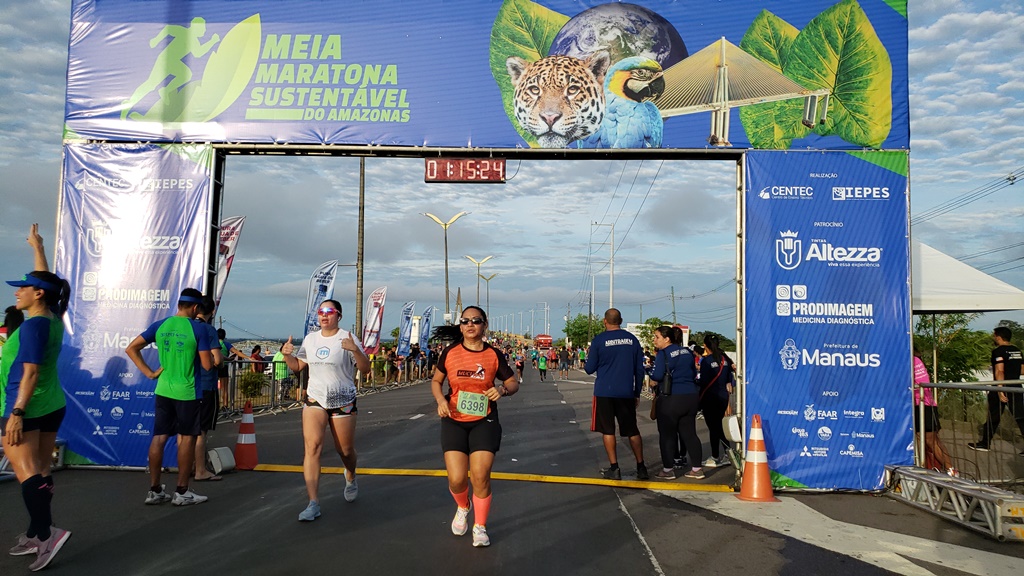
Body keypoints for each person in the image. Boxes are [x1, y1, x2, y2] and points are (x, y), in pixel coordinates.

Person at [2, 224, 73, 570]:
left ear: (38, 295)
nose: (18, 293)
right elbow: (47, 280)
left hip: (26, 406)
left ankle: (47, 535)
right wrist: (37, 247)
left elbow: (29, 372)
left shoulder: (32, 326)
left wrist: (16, 412)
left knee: (26, 472)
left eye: (23, 289)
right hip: (51, 405)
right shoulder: (53, 316)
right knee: (41, 471)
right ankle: (36, 530)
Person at [431, 306, 519, 548]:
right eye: (465, 321)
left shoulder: (493, 355)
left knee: (480, 476)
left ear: (484, 325)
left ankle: (480, 526)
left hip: (484, 420)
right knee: (457, 479)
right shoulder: (450, 353)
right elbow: (437, 381)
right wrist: (440, 400)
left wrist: (502, 389)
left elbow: (513, 381)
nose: (470, 325)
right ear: (460, 326)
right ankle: (463, 506)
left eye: (476, 321)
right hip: (454, 420)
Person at [280, 299, 370, 522]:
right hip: (315, 398)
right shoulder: (311, 339)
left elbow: (365, 369)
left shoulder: (347, 338)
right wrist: (287, 355)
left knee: (345, 450)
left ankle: (350, 474)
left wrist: (355, 351)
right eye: (321, 311)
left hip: (343, 399)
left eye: (330, 312)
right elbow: (297, 367)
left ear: (339, 315)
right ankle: (313, 503)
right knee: (312, 447)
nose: (324, 315)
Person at [126, 288, 215, 506]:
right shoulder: (198, 329)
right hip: (187, 391)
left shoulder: (161, 324)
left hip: (163, 389)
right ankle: (182, 491)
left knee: (159, 437)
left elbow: (131, 348)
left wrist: (149, 372)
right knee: (186, 438)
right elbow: (206, 364)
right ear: (195, 308)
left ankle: (155, 489)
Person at [584, 308, 648, 481]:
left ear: (605, 321)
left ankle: (615, 468)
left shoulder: (599, 340)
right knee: (632, 430)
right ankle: (641, 467)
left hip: (604, 391)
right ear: (621, 320)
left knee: (608, 430)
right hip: (626, 392)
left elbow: (589, 369)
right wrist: (636, 393)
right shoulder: (632, 340)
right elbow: (639, 370)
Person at [648, 325, 703, 480]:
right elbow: (693, 372)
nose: (654, 340)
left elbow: (658, 375)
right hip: (690, 396)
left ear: (667, 339)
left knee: (667, 435)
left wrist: (648, 372)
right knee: (689, 433)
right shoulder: (687, 352)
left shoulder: (663, 354)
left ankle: (667, 469)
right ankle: (697, 469)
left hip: (671, 397)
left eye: (657, 337)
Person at [969, 326, 1024, 452]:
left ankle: (985, 443)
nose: (994, 338)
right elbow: (1022, 370)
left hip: (1001, 387)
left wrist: (999, 390)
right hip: (1016, 387)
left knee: (993, 416)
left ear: (998, 336)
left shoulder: (998, 351)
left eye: (994, 336)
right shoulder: (1017, 350)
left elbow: (999, 371)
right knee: (1020, 417)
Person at [192, 297, 224, 481]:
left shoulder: (185, 327)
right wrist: (217, 364)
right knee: (201, 431)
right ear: (212, 312)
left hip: (185, 386)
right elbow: (217, 360)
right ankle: (200, 470)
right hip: (205, 385)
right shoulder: (208, 330)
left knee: (186, 431)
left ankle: (186, 466)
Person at [913, 343, 954, 474]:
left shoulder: (915, 360)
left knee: (931, 440)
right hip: (908, 406)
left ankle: (951, 471)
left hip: (923, 404)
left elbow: (923, 383)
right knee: (919, 440)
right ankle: (924, 472)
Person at [697, 334, 733, 469]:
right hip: (723, 397)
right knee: (718, 426)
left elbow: (703, 381)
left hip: (710, 397)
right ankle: (727, 454)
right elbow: (729, 378)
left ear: (705, 346)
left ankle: (716, 456)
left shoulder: (706, 361)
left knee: (713, 428)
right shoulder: (725, 360)